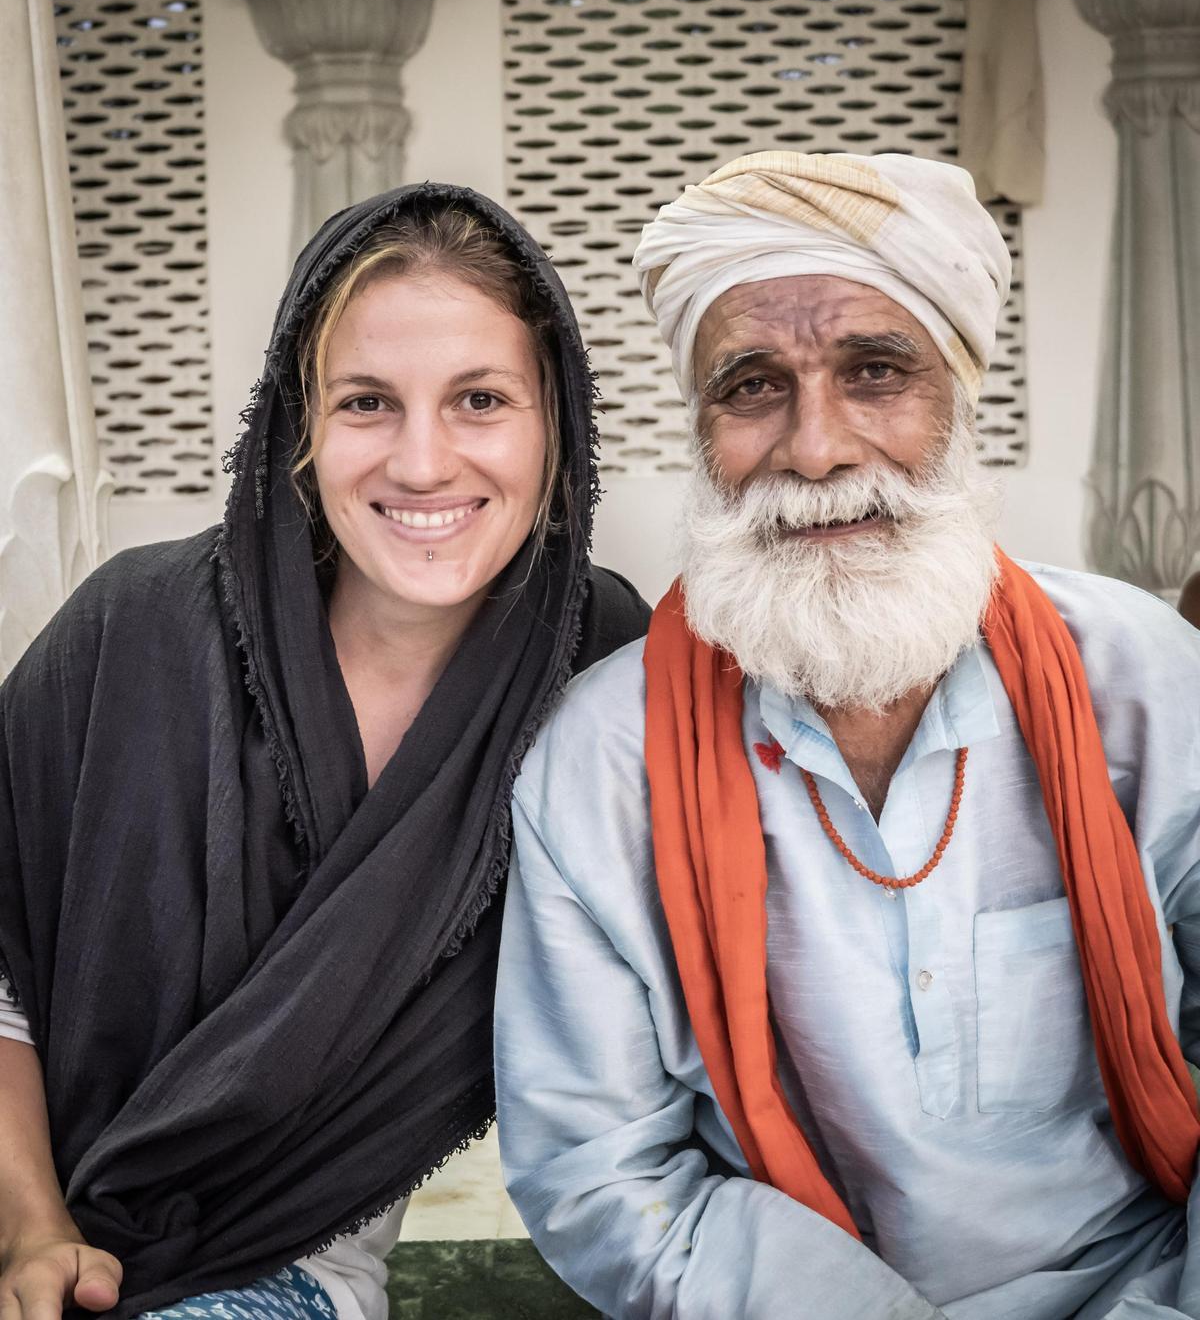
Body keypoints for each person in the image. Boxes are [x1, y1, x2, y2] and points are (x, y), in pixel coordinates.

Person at [493, 150, 1200, 1319]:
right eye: (753, 386)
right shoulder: (602, 763)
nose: (816, 448)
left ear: (960, 399)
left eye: (876, 372)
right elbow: (600, 1174)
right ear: (703, 429)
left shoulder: (1142, 681)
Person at [0, 183, 647, 1320]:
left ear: (558, 419)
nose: (424, 461)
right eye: (366, 403)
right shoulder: (133, 633)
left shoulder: (602, 680)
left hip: (274, 1269)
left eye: (481, 398)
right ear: (301, 423)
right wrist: (33, 1224)